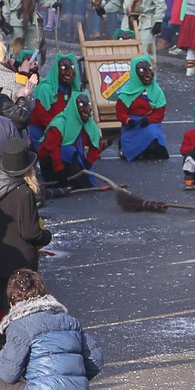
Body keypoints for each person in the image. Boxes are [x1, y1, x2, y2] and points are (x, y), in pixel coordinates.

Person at [0, 268, 103, 387]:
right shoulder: (69, 321)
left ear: (12, 300)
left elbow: (8, 373)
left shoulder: (20, 326)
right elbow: (96, 360)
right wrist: (72, 381)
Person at [0, 140, 51, 308]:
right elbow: (30, 232)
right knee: (21, 307)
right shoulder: (23, 193)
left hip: (2, 259)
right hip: (20, 261)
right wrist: (46, 236)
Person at [38, 93, 100, 190]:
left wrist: (89, 161)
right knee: (68, 150)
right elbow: (52, 149)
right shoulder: (59, 124)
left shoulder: (89, 124)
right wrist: (59, 169)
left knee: (87, 180)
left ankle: (76, 179)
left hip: (72, 161)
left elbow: (96, 143)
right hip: (52, 163)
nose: (86, 114)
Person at [114, 56, 168, 161]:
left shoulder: (156, 91)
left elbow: (160, 112)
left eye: (149, 69)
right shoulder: (126, 92)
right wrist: (128, 120)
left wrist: (149, 120)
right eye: (142, 71)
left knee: (152, 133)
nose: (147, 74)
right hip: (133, 122)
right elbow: (121, 112)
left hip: (150, 120)